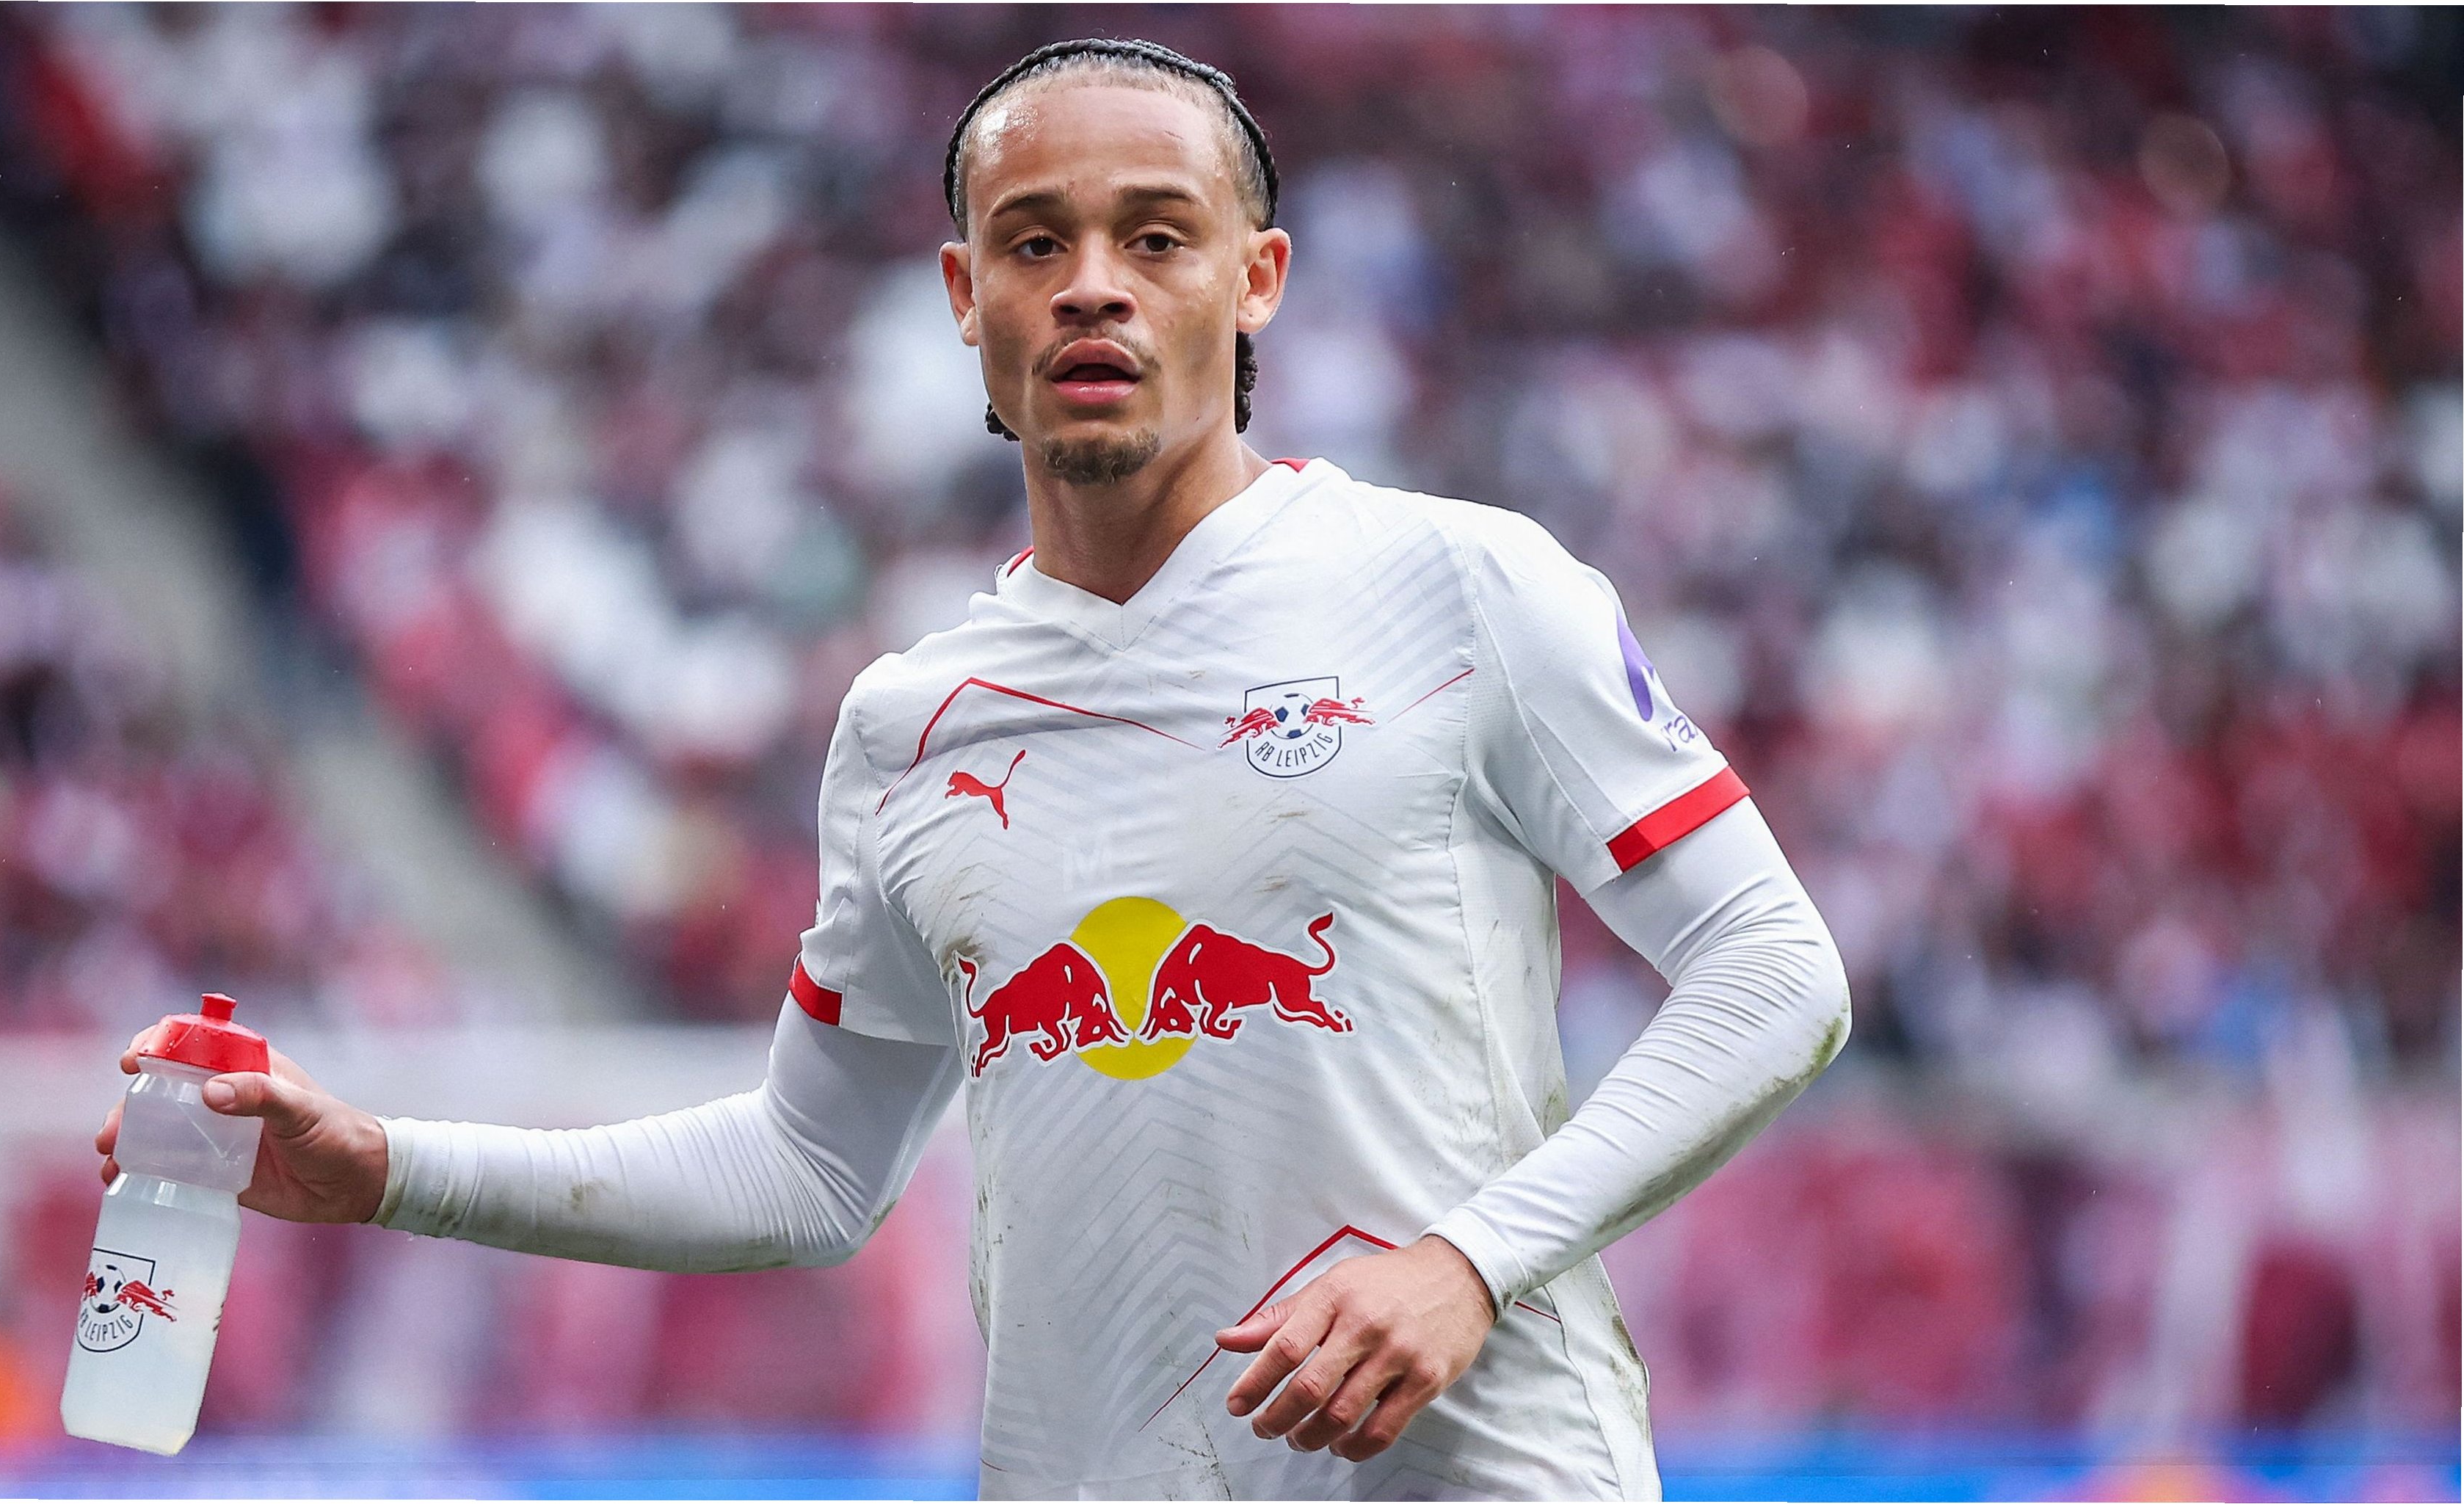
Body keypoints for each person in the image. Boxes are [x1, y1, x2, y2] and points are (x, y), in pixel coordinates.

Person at [96, 38, 1850, 1500]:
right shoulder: (906, 724)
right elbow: (806, 1168)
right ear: (964, 295)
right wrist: (380, 1163)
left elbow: (1771, 969)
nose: (1090, 281)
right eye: (1033, 240)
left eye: (1155, 235)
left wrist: (1471, 1257)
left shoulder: (1459, 583)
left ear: (1256, 279)